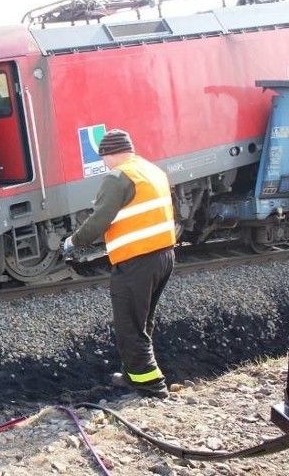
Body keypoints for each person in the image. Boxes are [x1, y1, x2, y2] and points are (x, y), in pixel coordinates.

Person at [62, 129, 176, 398]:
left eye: (104, 159)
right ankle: (133, 375)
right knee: (142, 321)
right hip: (164, 255)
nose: (104, 164)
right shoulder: (150, 170)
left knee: (129, 326)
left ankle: (152, 386)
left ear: (110, 154)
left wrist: (73, 242)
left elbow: (100, 219)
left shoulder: (118, 176)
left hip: (136, 261)